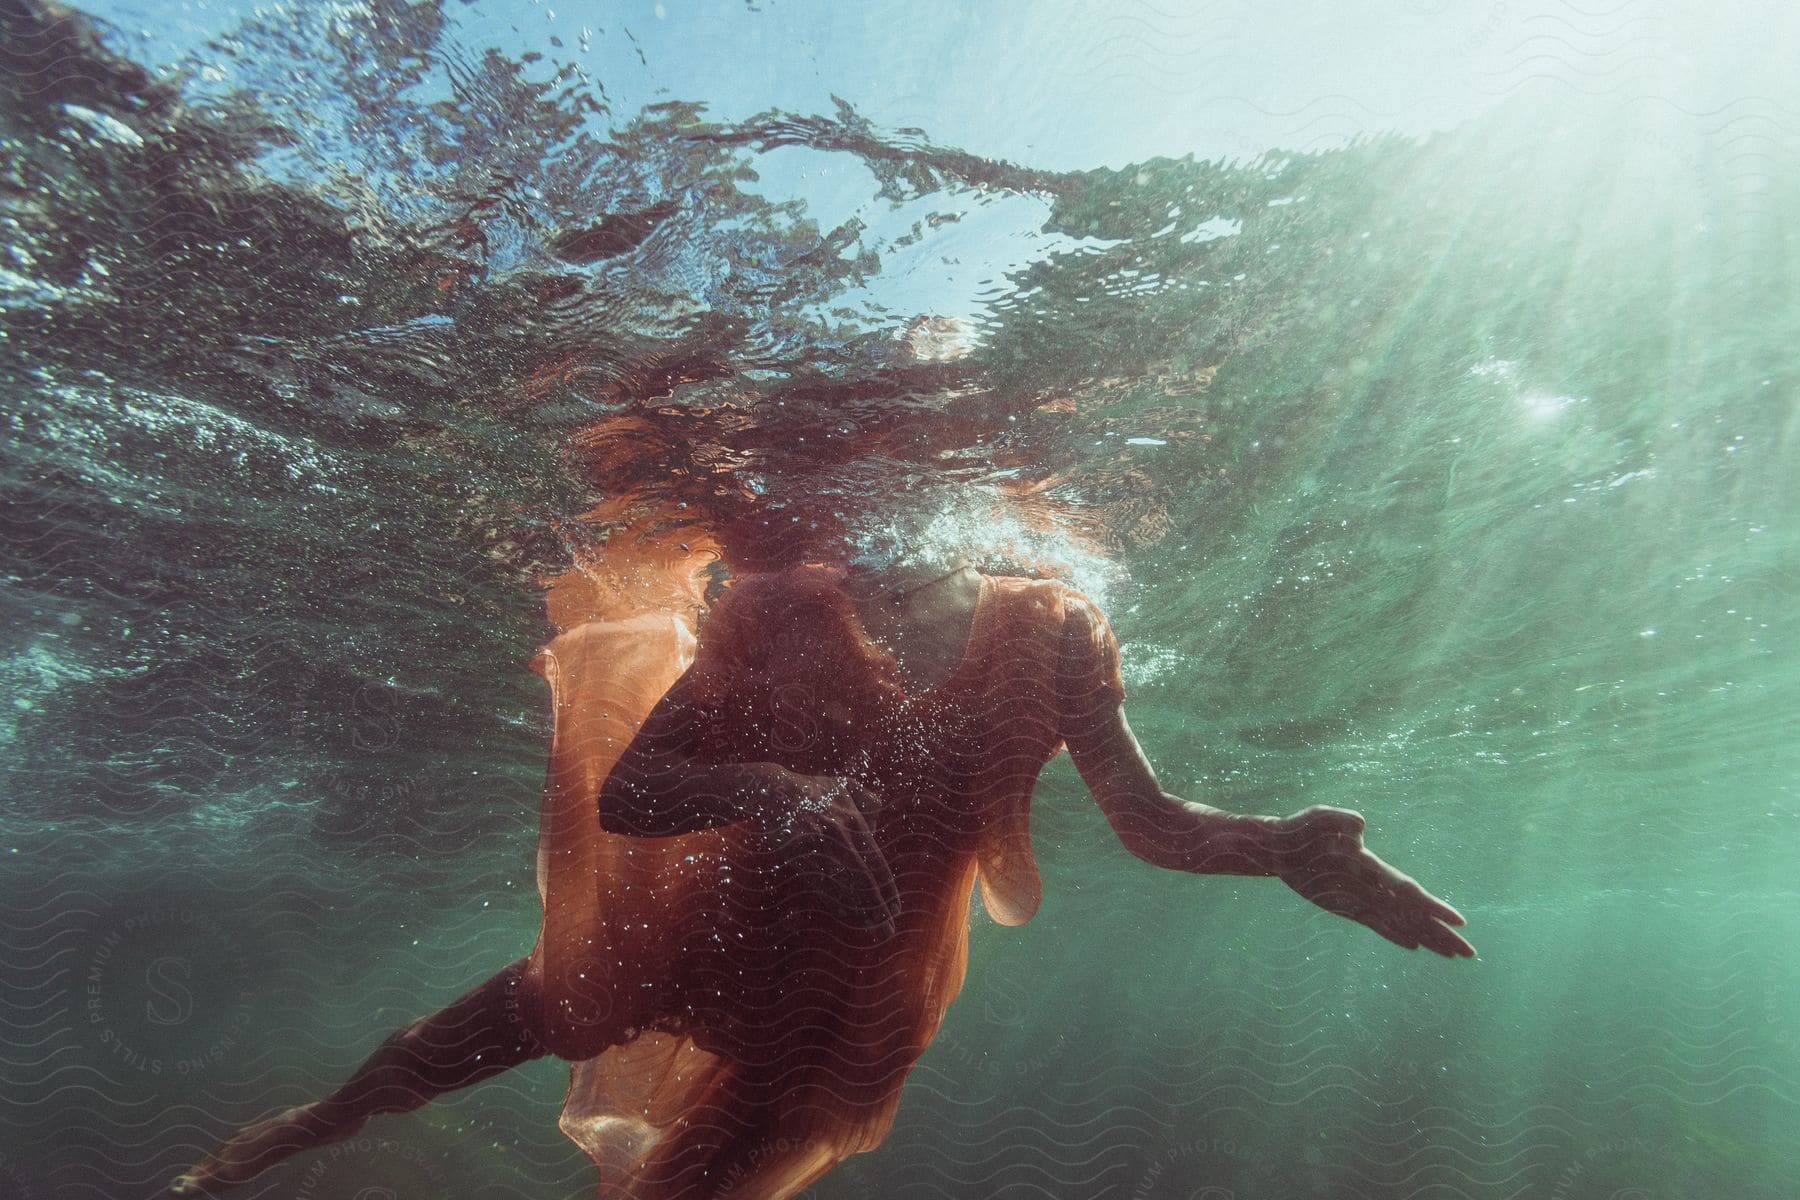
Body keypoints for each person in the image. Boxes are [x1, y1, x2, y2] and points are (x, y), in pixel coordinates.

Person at [172, 550, 1471, 1200]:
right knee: (455, 1046)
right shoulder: (778, 613)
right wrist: (768, 791)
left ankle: (324, 1121)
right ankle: (314, 1124)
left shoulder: (1048, 632)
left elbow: (1145, 817)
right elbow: (630, 795)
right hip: (698, 935)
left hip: (846, 1020)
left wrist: (1274, 849)